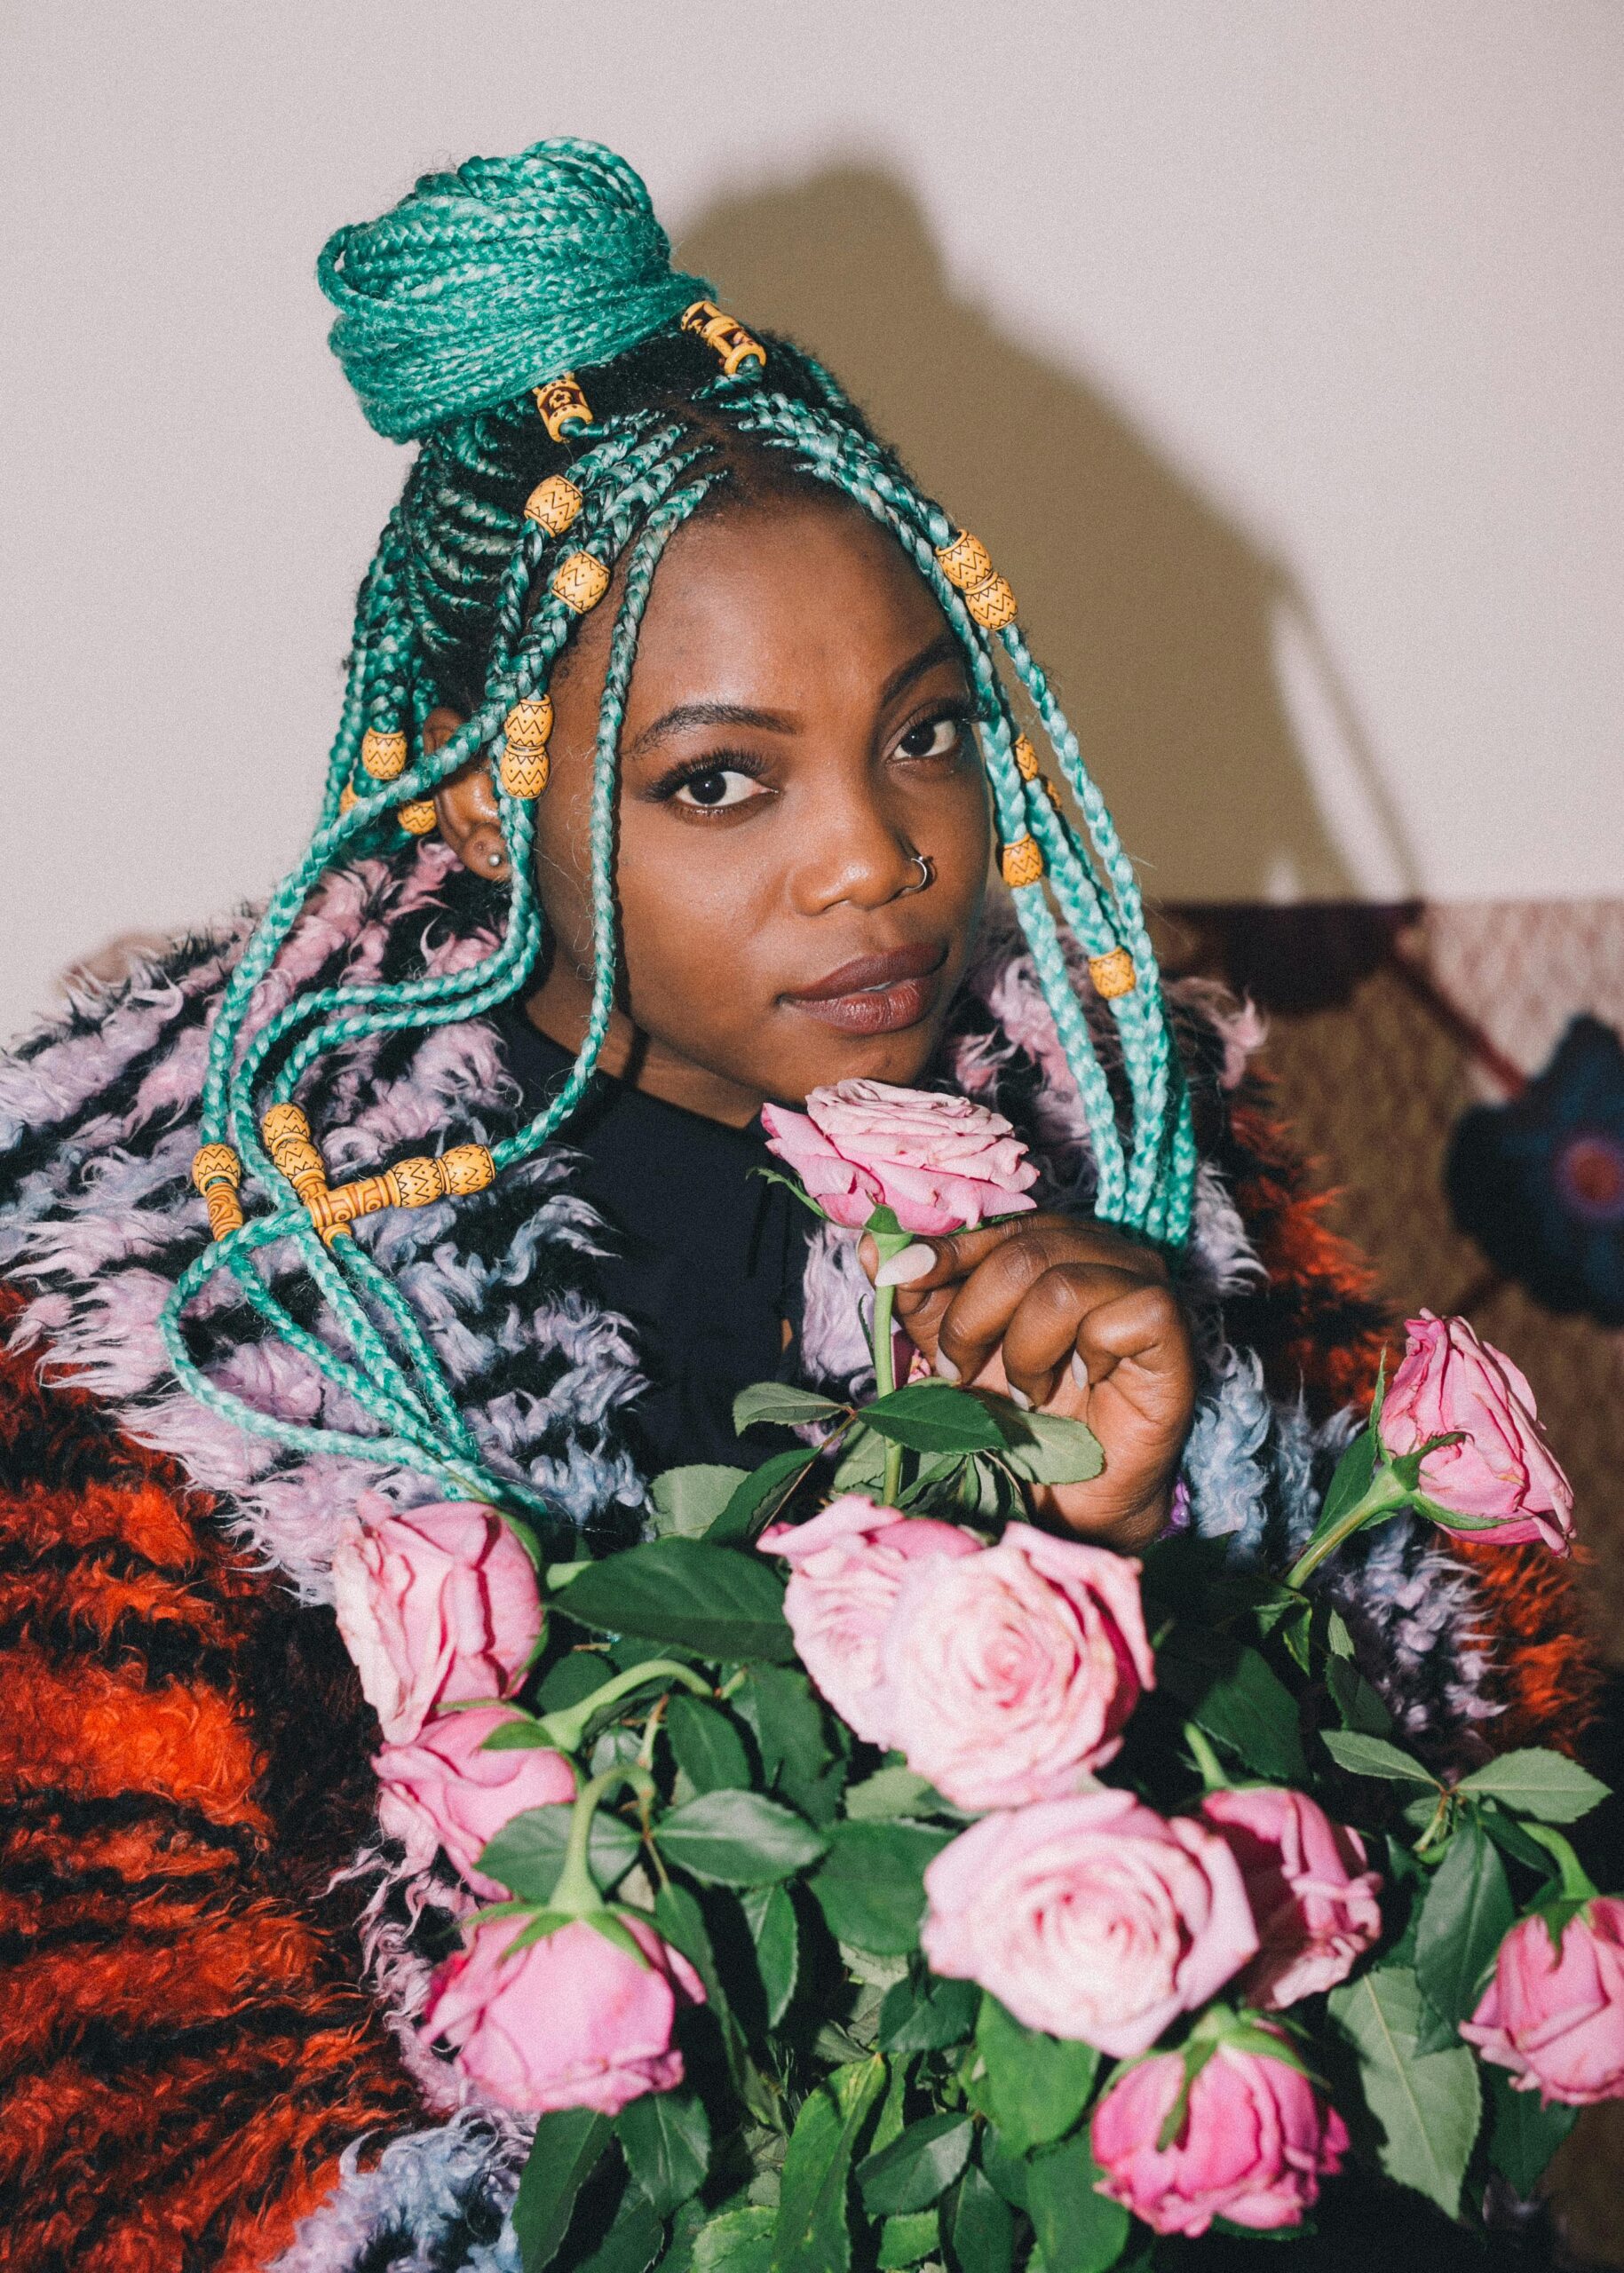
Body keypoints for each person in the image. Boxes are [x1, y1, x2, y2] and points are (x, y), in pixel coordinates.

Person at [0, 139, 1596, 2269]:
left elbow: (1451, 1910)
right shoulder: (184, 1313)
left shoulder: (1119, 1146)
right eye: (721, 777)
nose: (879, 858)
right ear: (487, 790)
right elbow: (135, 2131)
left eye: (927, 729)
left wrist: (1127, 1523)